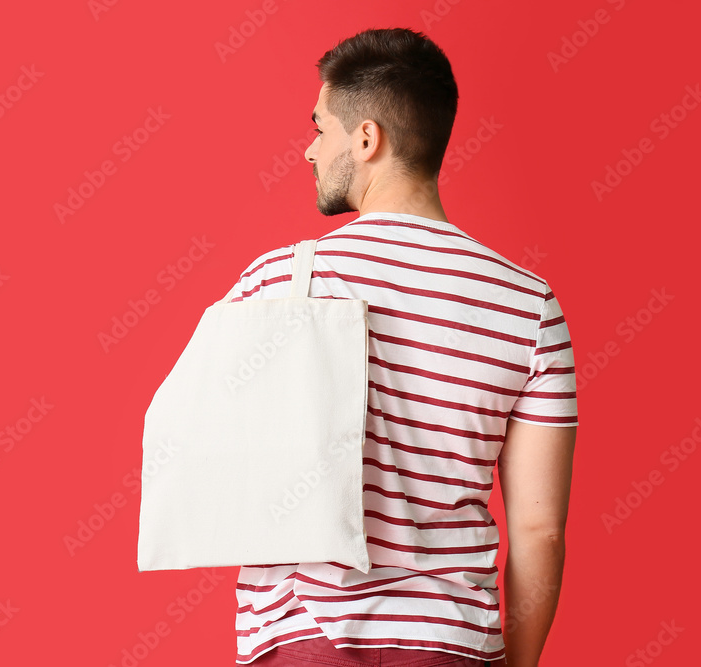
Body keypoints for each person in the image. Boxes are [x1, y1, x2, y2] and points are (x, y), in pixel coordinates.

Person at [227, 27, 578, 667]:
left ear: (366, 139)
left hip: (305, 639)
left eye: (319, 128)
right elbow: (539, 529)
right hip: (451, 642)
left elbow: (208, 459)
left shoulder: (278, 283)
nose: (310, 151)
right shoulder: (529, 304)